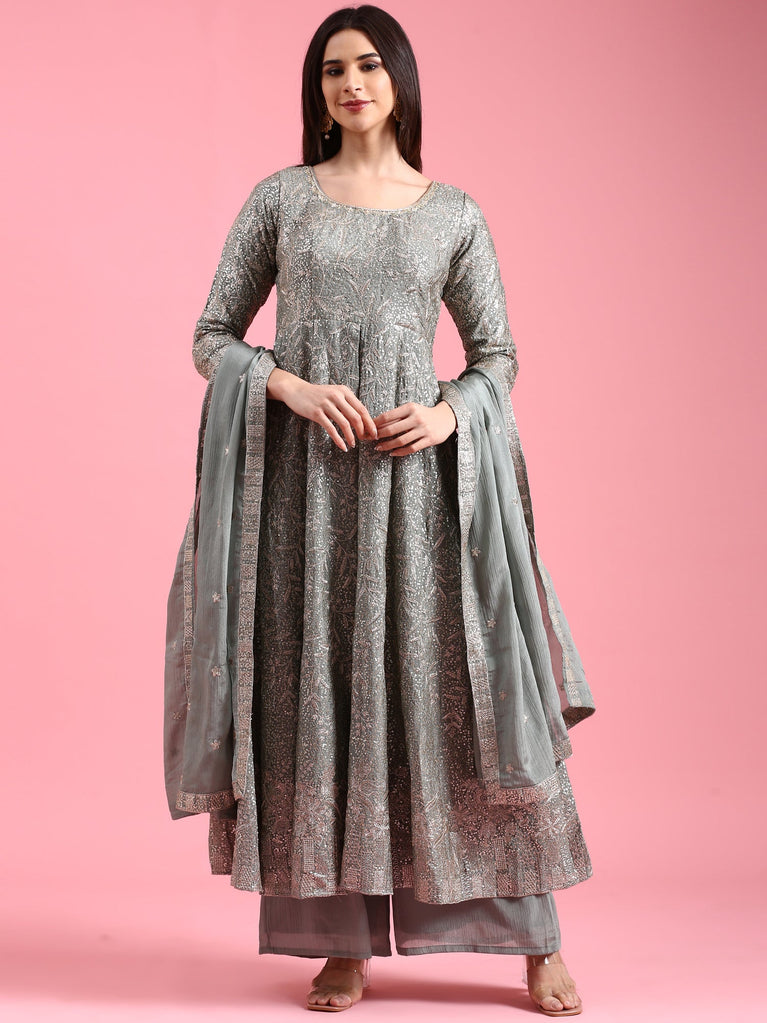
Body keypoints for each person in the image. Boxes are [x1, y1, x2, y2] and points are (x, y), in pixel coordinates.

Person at [163, 5, 596, 1017]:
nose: (350, 83)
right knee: (323, 706)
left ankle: (535, 940)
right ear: (317, 92)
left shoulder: (454, 214)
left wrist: (446, 414)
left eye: (367, 66)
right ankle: (342, 942)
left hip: (420, 504)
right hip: (305, 507)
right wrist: (284, 384)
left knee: (461, 706)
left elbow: (497, 356)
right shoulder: (281, 200)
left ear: (399, 79)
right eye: (331, 71)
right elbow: (211, 334)